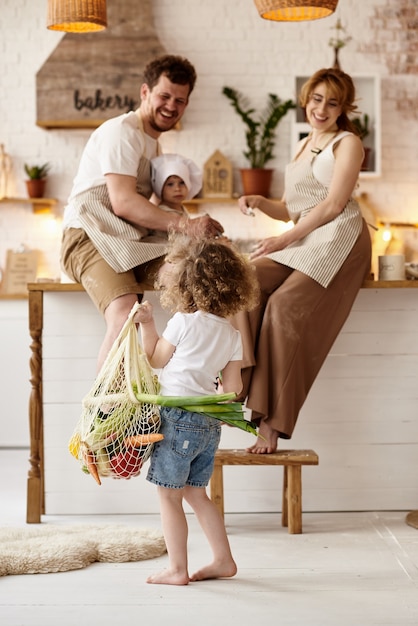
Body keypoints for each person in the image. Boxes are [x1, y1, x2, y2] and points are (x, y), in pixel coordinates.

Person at [232, 67, 372, 454]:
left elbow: (333, 204)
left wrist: (284, 238)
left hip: (340, 237)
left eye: (332, 102)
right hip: (306, 235)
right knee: (244, 279)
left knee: (283, 307)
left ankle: (271, 423)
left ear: (343, 107)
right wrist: (262, 203)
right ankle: (236, 384)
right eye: (316, 99)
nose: (322, 108)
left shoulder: (348, 143)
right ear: (306, 99)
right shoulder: (303, 142)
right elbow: (293, 208)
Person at [60, 54, 223, 372]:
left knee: (193, 278)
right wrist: (188, 226)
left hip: (124, 239)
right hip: (87, 235)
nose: (171, 106)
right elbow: (123, 204)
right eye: (164, 96)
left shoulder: (153, 147)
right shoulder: (122, 132)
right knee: (124, 313)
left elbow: (148, 211)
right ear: (145, 92)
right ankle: (104, 416)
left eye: (180, 100)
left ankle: (193, 381)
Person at [135, 234, 259, 585]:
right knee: (195, 493)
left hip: (178, 420)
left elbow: (156, 358)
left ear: (187, 283)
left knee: (169, 497)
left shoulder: (183, 321)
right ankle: (223, 559)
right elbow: (233, 391)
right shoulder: (231, 334)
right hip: (208, 424)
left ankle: (177, 570)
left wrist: (146, 324)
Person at [149, 153, 202, 238]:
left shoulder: (181, 209)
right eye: (170, 184)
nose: (177, 188)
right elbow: (183, 240)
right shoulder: (163, 212)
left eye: (182, 183)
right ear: (160, 187)